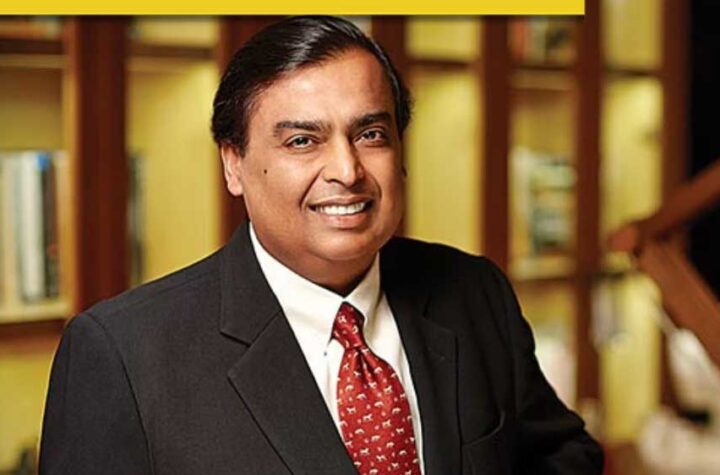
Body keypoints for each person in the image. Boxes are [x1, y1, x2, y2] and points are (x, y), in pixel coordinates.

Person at [39, 16, 604, 475]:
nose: (347, 171)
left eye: (370, 134)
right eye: (303, 141)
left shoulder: (474, 292)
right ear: (233, 163)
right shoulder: (124, 354)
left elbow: (562, 456)